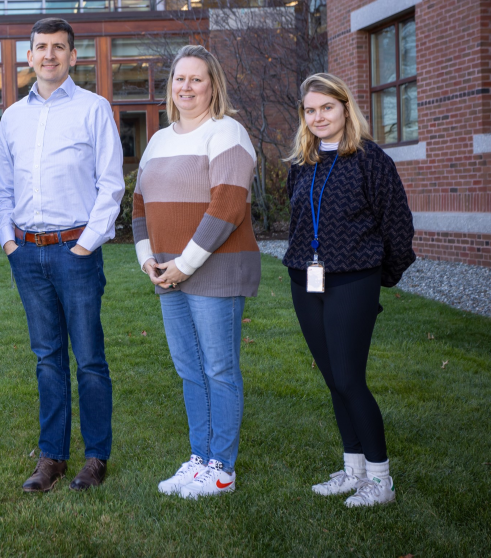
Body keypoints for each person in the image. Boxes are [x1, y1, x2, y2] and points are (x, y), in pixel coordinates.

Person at [0, 18, 124, 492]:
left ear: (73, 57)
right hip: (27, 253)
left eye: (59, 48)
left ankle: (95, 456)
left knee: (88, 357)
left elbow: (111, 186)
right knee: (47, 358)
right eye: (41, 48)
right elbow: (3, 189)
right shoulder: (12, 117)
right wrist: (9, 242)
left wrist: (86, 244)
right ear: (29, 57)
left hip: (76, 252)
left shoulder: (94, 108)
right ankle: (52, 457)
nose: (49, 55)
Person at [132, 44, 259, 500]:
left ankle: (222, 468)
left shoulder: (228, 132)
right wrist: (148, 259)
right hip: (168, 273)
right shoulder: (158, 140)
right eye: (179, 79)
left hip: (214, 272)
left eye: (196, 79)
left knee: (219, 368)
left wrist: (183, 266)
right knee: (190, 370)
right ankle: (200, 459)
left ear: (213, 85)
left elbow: (226, 207)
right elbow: (140, 206)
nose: (186, 87)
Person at [283, 73, 415, 507]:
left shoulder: (371, 160)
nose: (318, 117)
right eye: (310, 109)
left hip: (354, 279)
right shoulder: (301, 164)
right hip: (306, 281)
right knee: (333, 381)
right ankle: (353, 471)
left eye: (327, 108)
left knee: (350, 379)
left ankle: (381, 481)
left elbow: (397, 227)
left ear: (344, 109)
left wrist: (380, 277)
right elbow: (300, 221)